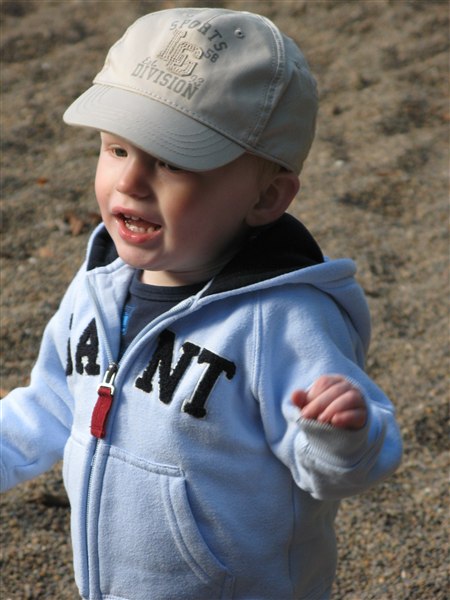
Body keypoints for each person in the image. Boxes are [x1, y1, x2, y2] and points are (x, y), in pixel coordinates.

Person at [0, 7, 402, 600]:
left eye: (172, 161)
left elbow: (339, 471)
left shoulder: (280, 319)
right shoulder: (99, 285)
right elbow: (54, 402)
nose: (130, 182)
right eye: (116, 149)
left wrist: (339, 437)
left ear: (266, 197)